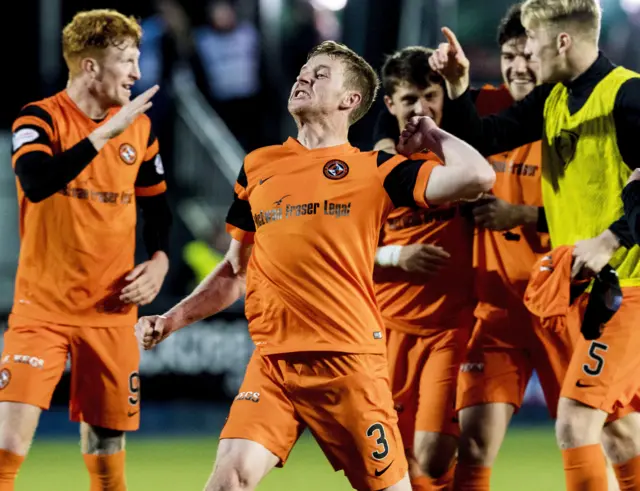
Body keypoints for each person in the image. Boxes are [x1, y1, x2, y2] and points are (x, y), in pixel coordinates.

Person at [136, 40, 495, 491]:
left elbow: (479, 176)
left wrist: (434, 136)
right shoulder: (258, 166)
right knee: (228, 480)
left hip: (348, 364)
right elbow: (234, 271)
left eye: (320, 74)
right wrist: (172, 319)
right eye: (304, 70)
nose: (304, 77)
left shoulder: (377, 168)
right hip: (273, 364)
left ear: (350, 101)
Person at [429, 0, 640, 489]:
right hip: (580, 293)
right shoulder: (553, 100)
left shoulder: (627, 96)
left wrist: (611, 239)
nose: (526, 57)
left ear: (561, 41)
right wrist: (459, 87)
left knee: (574, 422)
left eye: (533, 43)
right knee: (622, 434)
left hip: (627, 290)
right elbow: (483, 135)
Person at [0, 9, 171, 491]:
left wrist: (160, 260)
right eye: (127, 60)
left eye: (139, 60)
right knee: (5, 450)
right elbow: (37, 182)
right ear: (91, 67)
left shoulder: (140, 129)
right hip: (42, 311)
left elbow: (159, 210)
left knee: (106, 452)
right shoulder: (38, 118)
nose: (137, 73)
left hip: (112, 312)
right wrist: (101, 137)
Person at [371, 46, 479, 491]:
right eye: (409, 99)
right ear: (390, 104)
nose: (421, 108)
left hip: (448, 329)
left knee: (434, 455)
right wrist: (398, 257)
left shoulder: (457, 162)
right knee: (394, 458)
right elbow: (341, 251)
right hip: (386, 329)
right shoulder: (372, 170)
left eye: (429, 96)